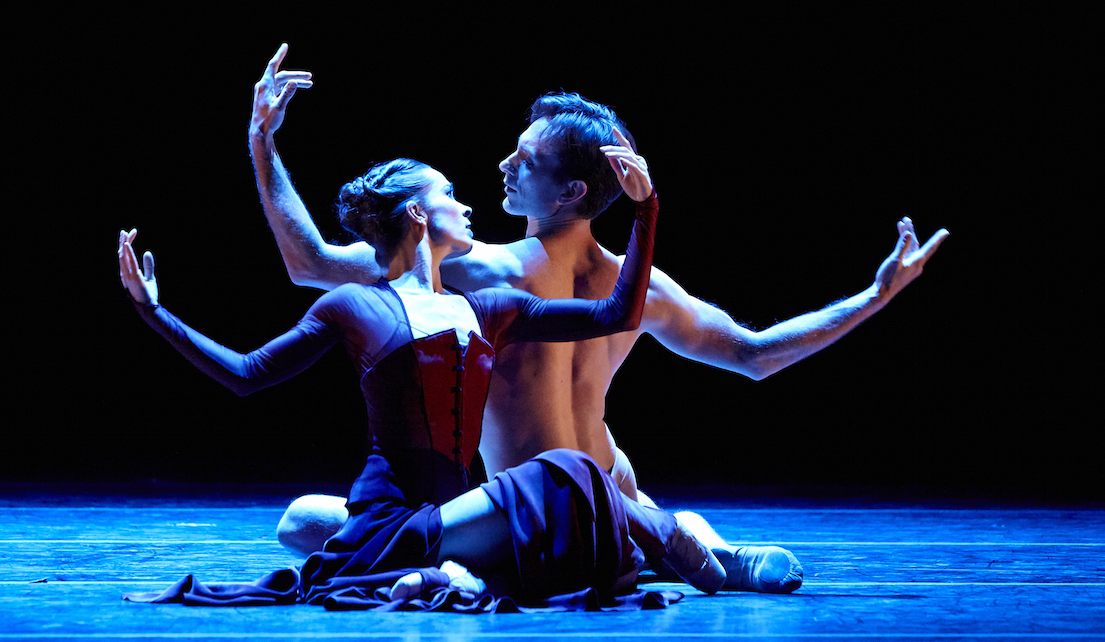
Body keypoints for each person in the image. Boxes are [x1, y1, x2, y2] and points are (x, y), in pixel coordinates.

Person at [249, 45, 950, 595]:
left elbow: (310, 262)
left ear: (572, 190)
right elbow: (755, 353)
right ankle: (675, 537)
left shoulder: (480, 270)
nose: (503, 165)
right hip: (614, 482)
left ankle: (628, 547)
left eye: (523, 160)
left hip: (537, 516)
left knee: (310, 523)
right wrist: (875, 296)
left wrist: (263, 146)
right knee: (600, 501)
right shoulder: (642, 284)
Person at [119, 148, 724, 611]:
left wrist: (646, 209)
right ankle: (672, 541)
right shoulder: (355, 305)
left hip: (454, 509)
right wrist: (154, 312)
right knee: (568, 470)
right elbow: (246, 374)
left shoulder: (488, 308)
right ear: (416, 214)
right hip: (393, 518)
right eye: (450, 194)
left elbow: (616, 313)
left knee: (566, 504)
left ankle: (455, 574)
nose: (466, 205)